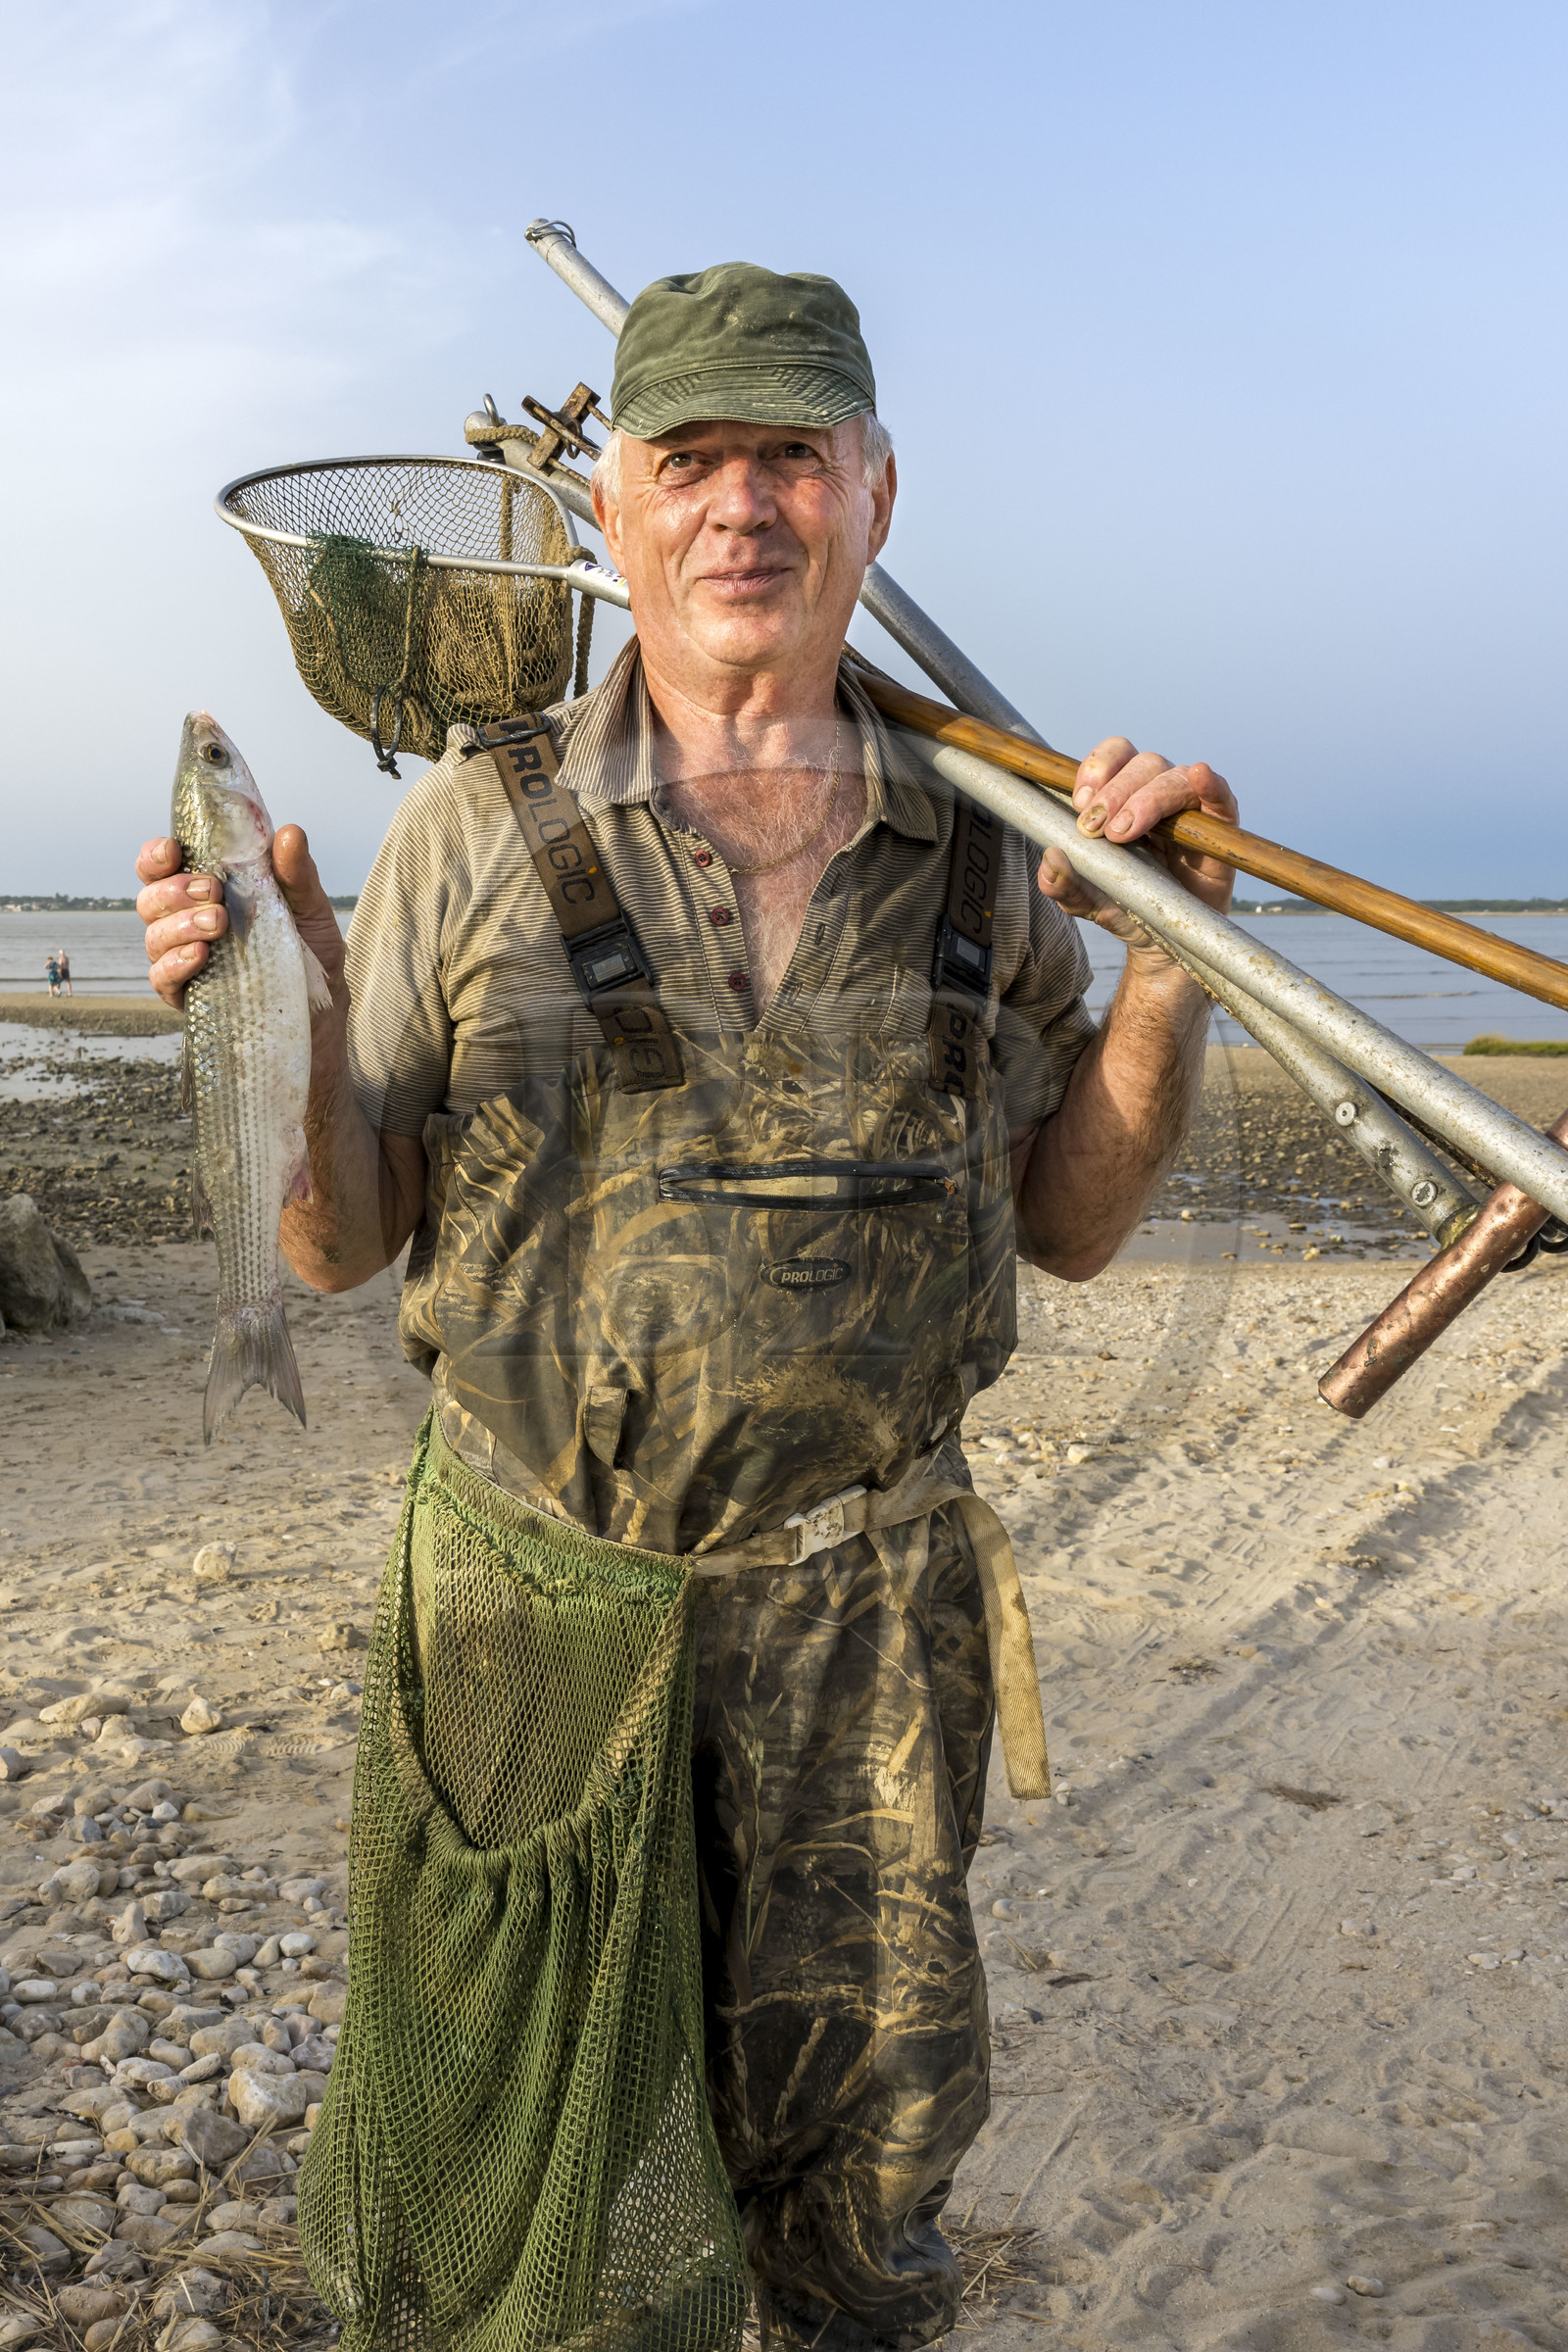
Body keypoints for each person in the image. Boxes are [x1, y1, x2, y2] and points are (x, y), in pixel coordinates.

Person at [135, 263, 1239, 2352]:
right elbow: (332, 1242)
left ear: (872, 497)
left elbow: (1072, 1224)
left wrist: (1170, 962)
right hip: (531, 1623)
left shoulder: (994, 855)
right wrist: (266, 1003)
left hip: (866, 1637)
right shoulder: (469, 820)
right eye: (691, 462)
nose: (743, 508)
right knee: (501, 2172)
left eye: (790, 460)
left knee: (854, 2194)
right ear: (612, 515)